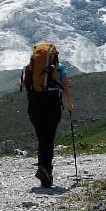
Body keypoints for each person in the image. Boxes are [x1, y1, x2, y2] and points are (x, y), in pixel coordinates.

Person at [24, 43, 74, 188]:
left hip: (34, 105)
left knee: (41, 137)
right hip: (52, 105)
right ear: (54, 55)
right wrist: (70, 105)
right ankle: (45, 169)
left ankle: (43, 168)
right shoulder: (60, 67)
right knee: (49, 137)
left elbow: (24, 84)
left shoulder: (30, 67)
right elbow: (66, 88)